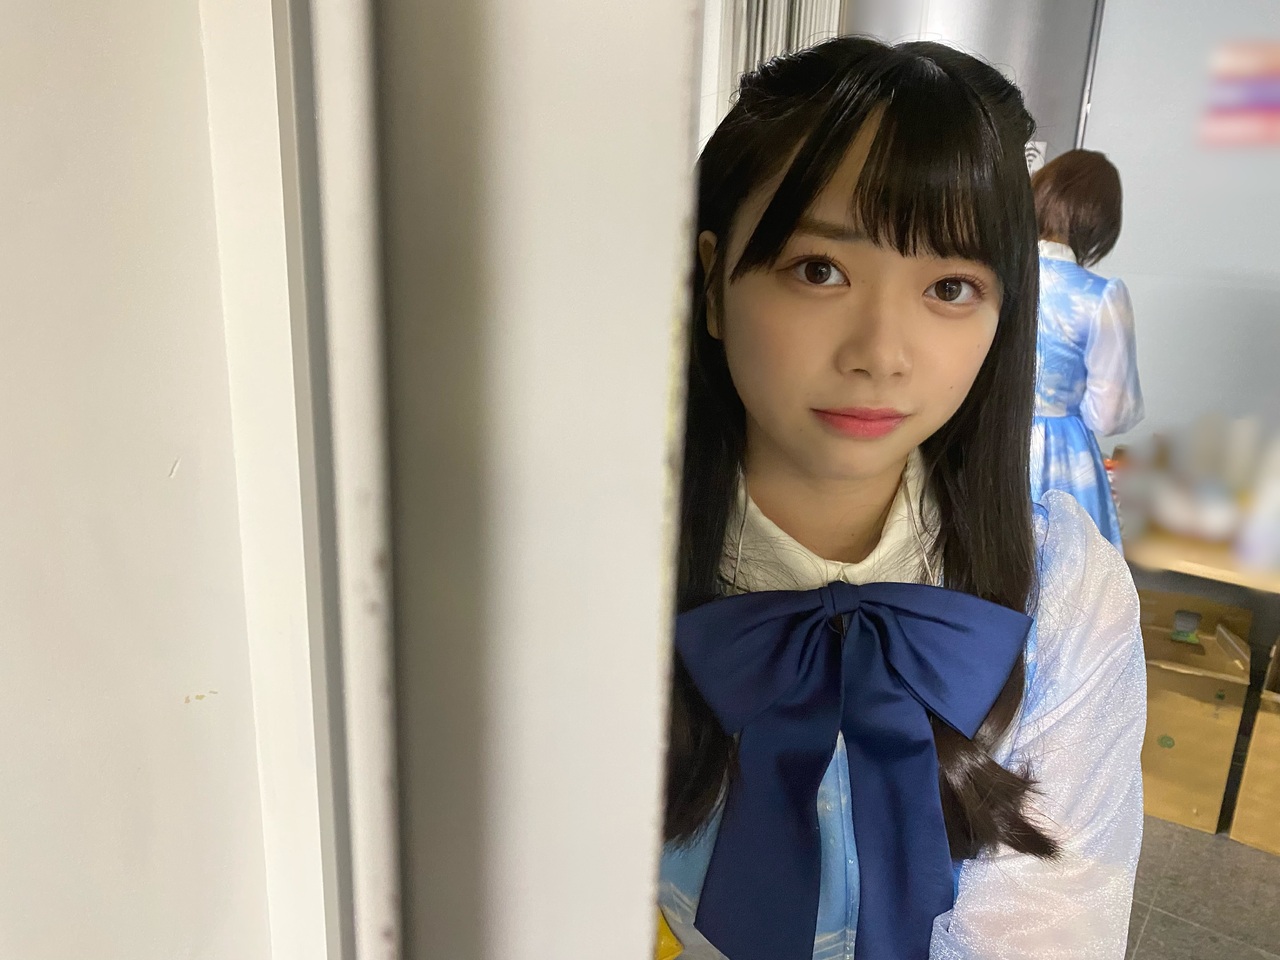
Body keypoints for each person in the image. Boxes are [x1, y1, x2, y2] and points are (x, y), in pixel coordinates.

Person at [657, 37, 1145, 960]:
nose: (880, 353)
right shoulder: (588, 571)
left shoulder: (1066, 595)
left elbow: (1053, 928)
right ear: (714, 282)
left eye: (951, 287)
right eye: (819, 269)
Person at [1030, 149, 1144, 549]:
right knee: (1066, 568)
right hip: (1062, 455)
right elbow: (1109, 414)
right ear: (1101, 222)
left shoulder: (991, 277)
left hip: (982, 442)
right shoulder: (1100, 296)